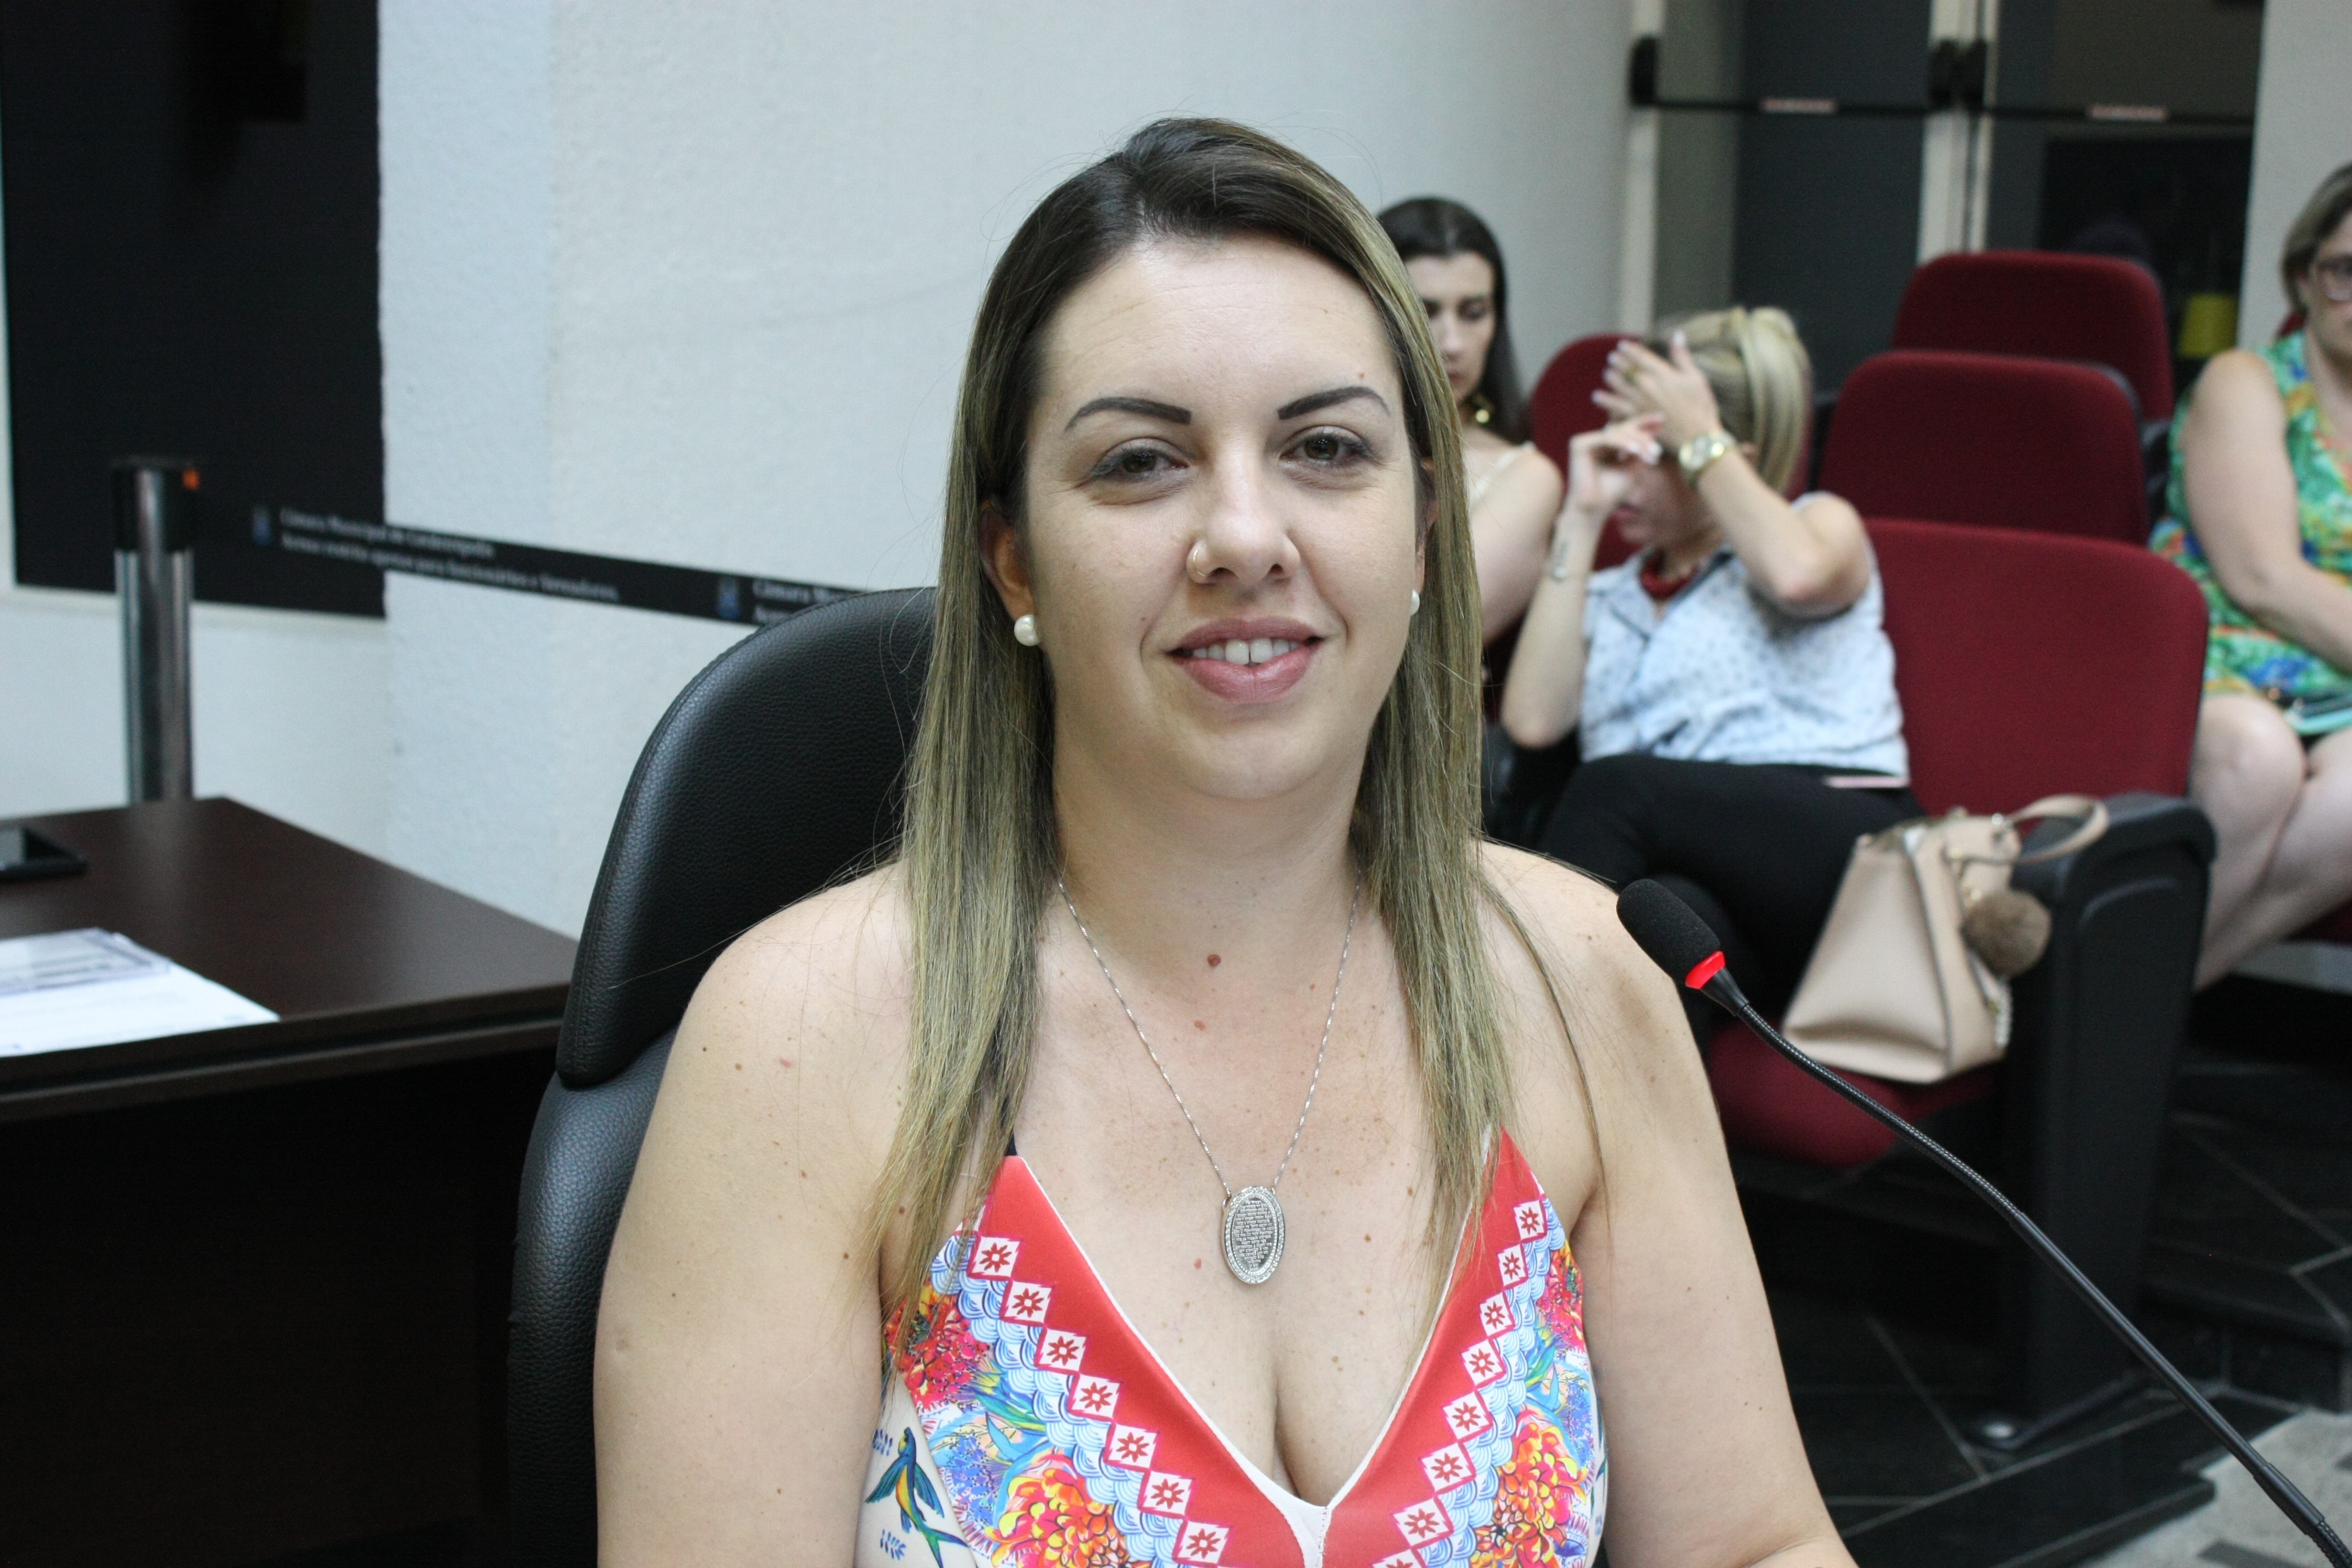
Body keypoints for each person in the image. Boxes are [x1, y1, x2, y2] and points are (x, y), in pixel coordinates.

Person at [596, 121, 1853, 1568]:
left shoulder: (1590, 981)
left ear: (1424, 528)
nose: (1246, 536)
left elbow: (1755, 1544)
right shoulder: (802, 1041)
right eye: (1141, 461)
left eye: (1326, 448)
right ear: (1013, 559)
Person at [1499, 308, 1913, 1038]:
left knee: (1616, 786)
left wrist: (1699, 437)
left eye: (1655, 452)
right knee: (1654, 956)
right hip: (1708, 881)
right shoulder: (1612, 594)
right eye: (1622, 446)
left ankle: (1507, 1034)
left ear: (1723, 457)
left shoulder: (1821, 526)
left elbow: (1797, 576)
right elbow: (1533, 721)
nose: (1629, 474)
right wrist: (1582, 516)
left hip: (1842, 855)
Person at [2151, 161, 2352, 986]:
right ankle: (2105, 1015)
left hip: (2339, 679)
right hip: (2228, 654)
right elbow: (2262, 576)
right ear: (2303, 277)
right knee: (2261, 759)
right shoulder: (2248, 380)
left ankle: (2120, 1006)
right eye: (2345, 271)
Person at [1380, 197, 1564, 638]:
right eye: (1425, 312)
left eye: (1473, 313)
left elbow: (1444, 633)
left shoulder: (1527, 474)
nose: (1453, 343)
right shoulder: (1328, 444)